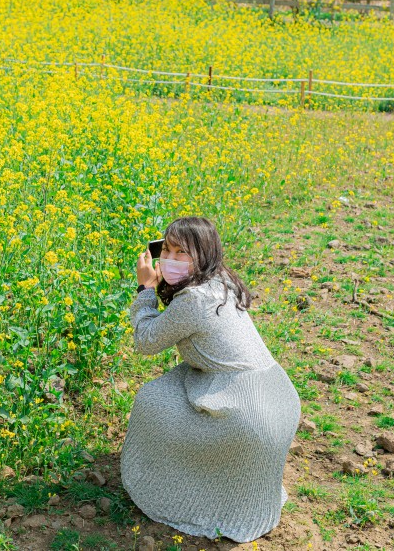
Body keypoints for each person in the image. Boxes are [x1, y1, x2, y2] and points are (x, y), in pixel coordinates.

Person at [120, 216, 301, 543]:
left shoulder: (194, 299)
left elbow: (146, 341)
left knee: (152, 402)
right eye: (168, 250)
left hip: (246, 412)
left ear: (201, 256)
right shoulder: (219, 280)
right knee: (166, 391)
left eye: (181, 253)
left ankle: (176, 492)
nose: (170, 259)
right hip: (276, 397)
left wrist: (145, 289)